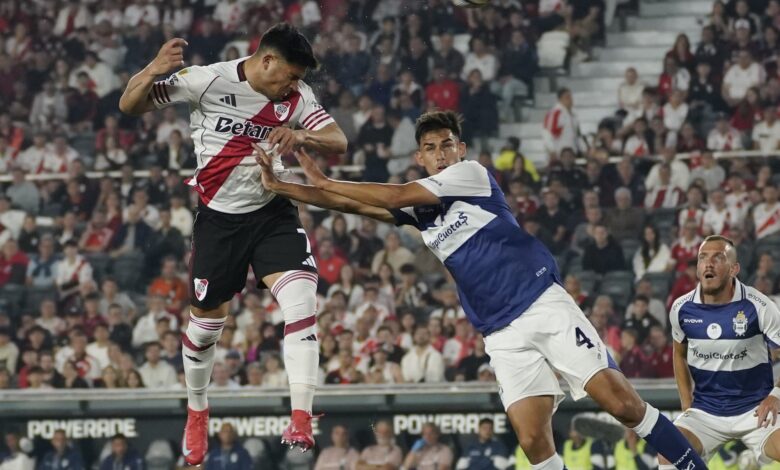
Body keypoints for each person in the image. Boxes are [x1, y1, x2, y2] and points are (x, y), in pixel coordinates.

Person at [256, 110, 708, 469]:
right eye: (430, 149)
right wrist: (285, 185)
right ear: (420, 157)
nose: (440, 154)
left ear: (461, 149)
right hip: (500, 332)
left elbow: (390, 196)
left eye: (446, 145)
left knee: (624, 405)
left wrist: (321, 179)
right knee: (533, 441)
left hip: (541, 304)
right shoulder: (421, 212)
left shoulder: (470, 175)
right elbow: (348, 203)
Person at [118, 22, 347, 461]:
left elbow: (338, 140)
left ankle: (301, 417)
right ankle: (198, 410)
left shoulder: (297, 99)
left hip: (272, 214)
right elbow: (130, 106)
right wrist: (152, 69)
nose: (295, 85)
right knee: (205, 330)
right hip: (219, 224)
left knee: (303, 300)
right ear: (267, 61)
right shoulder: (207, 80)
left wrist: (302, 135)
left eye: (299, 79)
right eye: (291, 75)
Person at [662, 235, 780, 468]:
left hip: (756, 409)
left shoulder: (759, 306)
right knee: (668, 451)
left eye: (718, 258)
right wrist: (687, 406)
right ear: (697, 268)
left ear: (734, 268)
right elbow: (679, 354)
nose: (708, 263)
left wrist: (776, 395)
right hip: (706, 412)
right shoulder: (681, 308)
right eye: (703, 258)